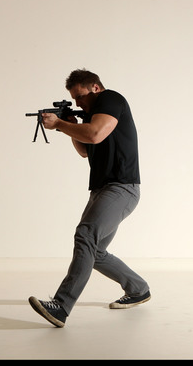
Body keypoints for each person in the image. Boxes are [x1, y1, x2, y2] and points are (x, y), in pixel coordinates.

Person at [28, 69, 150, 328]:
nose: (78, 103)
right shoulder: (92, 114)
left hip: (122, 187)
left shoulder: (111, 99)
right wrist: (69, 124)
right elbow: (84, 149)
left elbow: (94, 134)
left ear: (95, 88)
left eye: (80, 97)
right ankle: (138, 289)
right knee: (96, 251)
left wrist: (60, 123)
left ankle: (61, 306)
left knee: (85, 235)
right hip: (102, 189)